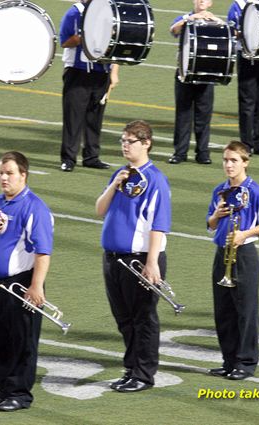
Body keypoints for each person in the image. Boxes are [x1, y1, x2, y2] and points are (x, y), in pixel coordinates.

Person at [0, 151, 54, 411]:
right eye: (1, 173)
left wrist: (36, 285)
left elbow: (43, 251)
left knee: (20, 341)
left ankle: (19, 393)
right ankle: (3, 389)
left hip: (20, 283)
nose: (4, 178)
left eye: (10, 173)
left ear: (23, 175)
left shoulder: (34, 207)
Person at [96, 120, 171, 392]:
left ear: (146, 143)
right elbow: (99, 209)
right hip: (113, 258)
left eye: (130, 141)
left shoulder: (155, 179)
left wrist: (151, 263)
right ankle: (131, 368)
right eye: (123, 141)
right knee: (124, 318)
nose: (125, 146)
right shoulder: (121, 174)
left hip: (139, 259)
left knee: (143, 317)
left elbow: (158, 224)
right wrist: (114, 184)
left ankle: (144, 374)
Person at [206, 141, 259, 380]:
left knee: (245, 311)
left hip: (244, 255)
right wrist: (215, 216)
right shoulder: (219, 190)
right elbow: (210, 225)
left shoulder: (256, 191)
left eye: (234, 160)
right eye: (226, 160)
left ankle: (246, 363)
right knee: (223, 311)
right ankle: (229, 361)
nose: (228, 165)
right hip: (221, 253)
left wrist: (244, 234)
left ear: (245, 162)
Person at [59, 0, 120, 172]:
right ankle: (68, 159)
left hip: (101, 71)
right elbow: (64, 41)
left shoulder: (109, 13)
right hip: (78, 72)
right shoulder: (74, 13)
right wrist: (83, 38)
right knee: (73, 118)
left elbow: (116, 44)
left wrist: (114, 72)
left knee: (95, 117)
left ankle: (92, 156)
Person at [167, 0, 222, 165]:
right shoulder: (185, 18)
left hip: (206, 72)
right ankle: (180, 152)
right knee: (183, 113)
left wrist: (217, 21)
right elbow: (174, 29)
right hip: (185, 72)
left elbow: (230, 33)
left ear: (210, 3)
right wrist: (192, 18)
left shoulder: (215, 21)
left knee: (203, 115)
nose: (201, 1)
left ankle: (203, 153)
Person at [227, 0, 259, 157]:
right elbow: (231, 30)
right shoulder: (238, 5)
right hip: (247, 57)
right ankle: (246, 143)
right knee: (247, 104)